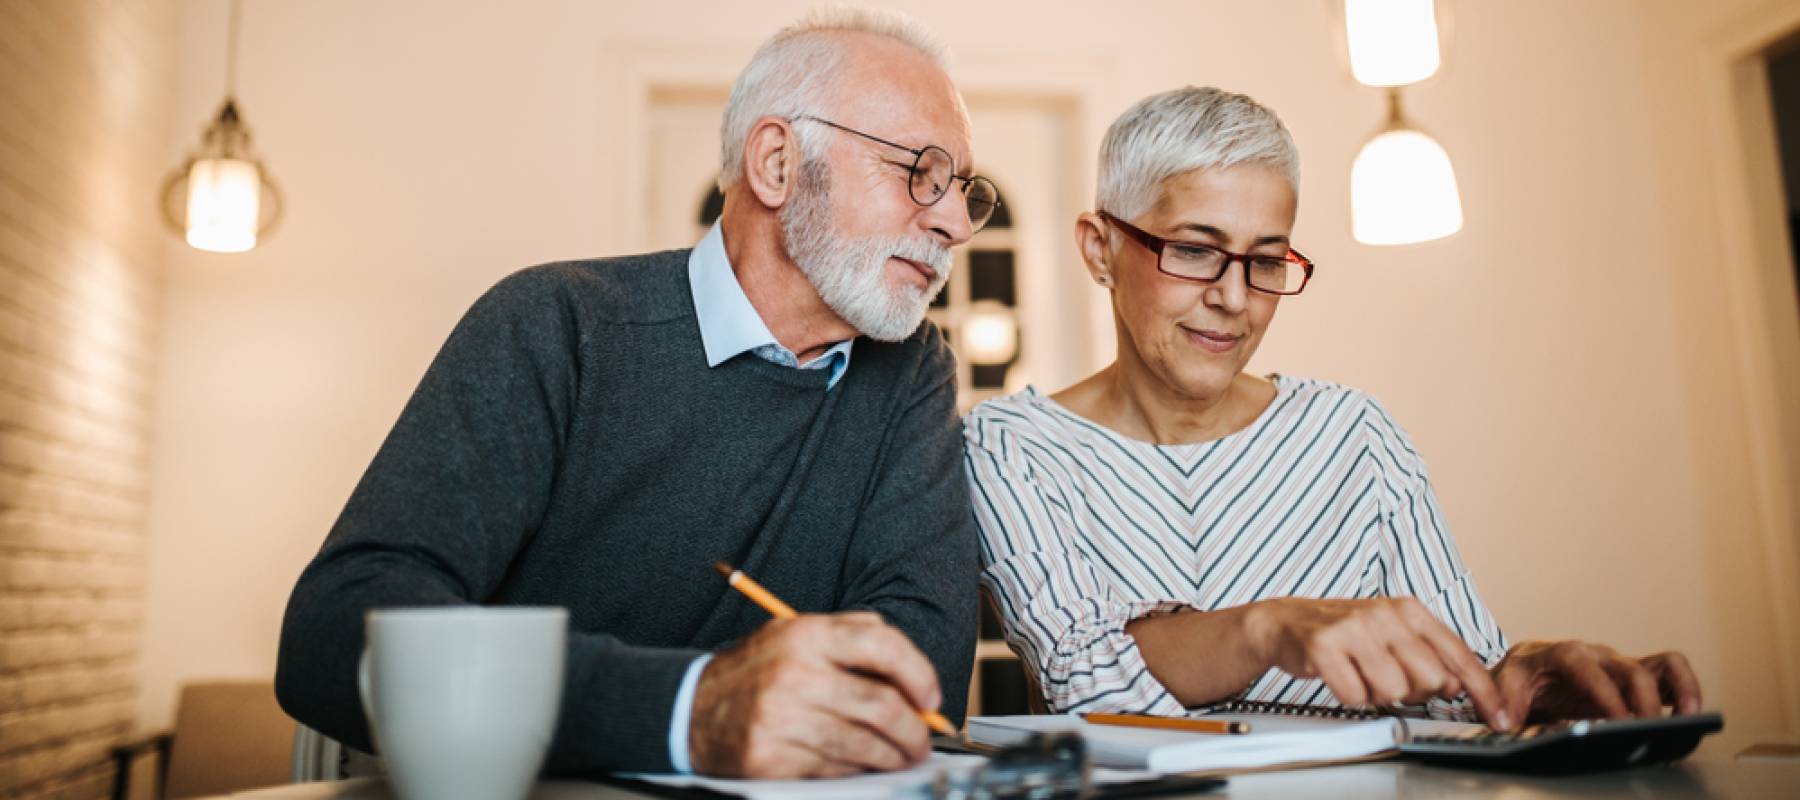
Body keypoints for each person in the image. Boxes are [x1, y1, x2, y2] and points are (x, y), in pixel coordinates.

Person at [276, 7, 1001, 779]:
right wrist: (690, 710)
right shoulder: (557, 325)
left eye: (963, 188)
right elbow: (334, 635)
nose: (956, 224)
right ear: (776, 164)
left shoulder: (911, 371)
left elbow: (914, 681)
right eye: (920, 171)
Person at [963, 86, 1702, 732]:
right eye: (1193, 249)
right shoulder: (1011, 446)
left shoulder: (1356, 435)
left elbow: (1460, 688)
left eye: (1265, 260)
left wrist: (1530, 678)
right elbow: (1086, 682)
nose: (1234, 297)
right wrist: (1268, 628)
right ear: (1099, 250)